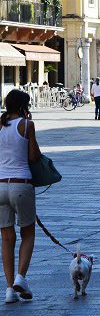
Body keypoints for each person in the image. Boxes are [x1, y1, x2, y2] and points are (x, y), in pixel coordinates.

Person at [0, 89, 42, 304]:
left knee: (6, 239)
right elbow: (34, 156)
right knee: (28, 233)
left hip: (0, 186)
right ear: (23, 106)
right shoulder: (26, 125)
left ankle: (9, 290)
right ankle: (21, 277)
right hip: (21, 183)